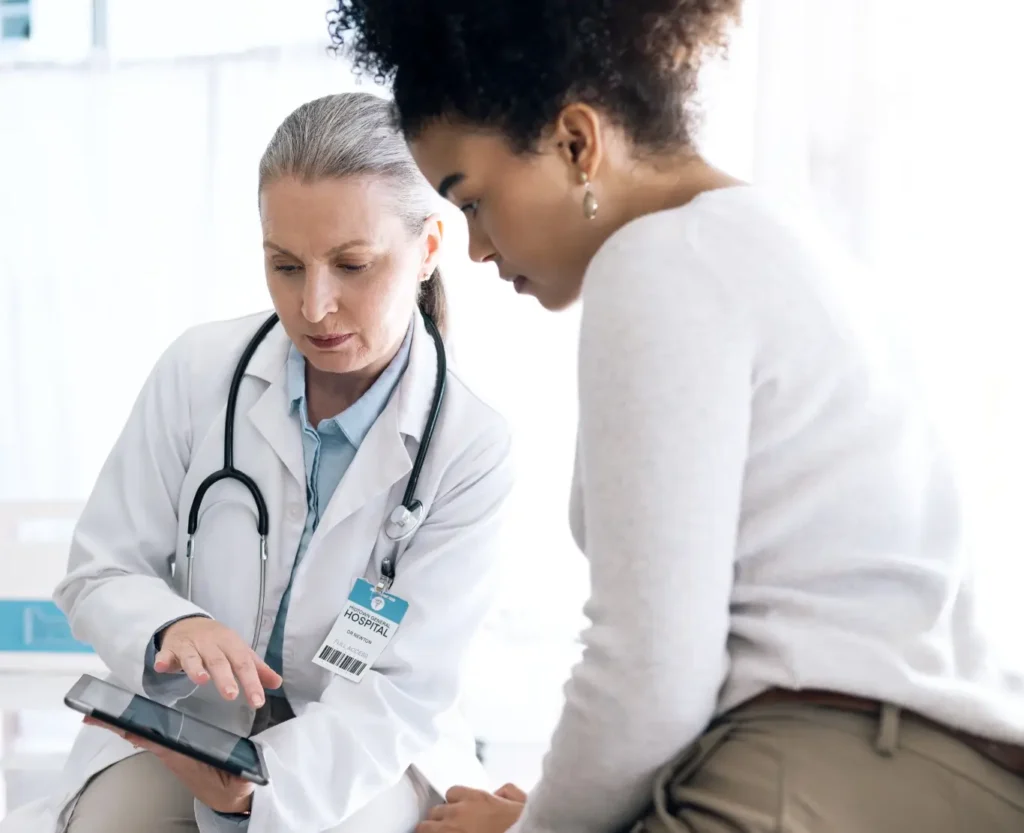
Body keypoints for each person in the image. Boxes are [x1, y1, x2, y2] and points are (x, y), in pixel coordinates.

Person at [329, 3, 1024, 832]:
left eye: (471, 199)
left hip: (821, 766)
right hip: (915, 766)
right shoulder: (776, 239)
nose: (477, 249)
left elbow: (649, 675)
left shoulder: (659, 262)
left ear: (578, 143)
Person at [0, 92, 513, 833]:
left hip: (360, 749)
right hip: (186, 725)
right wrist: (169, 627)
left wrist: (253, 791)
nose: (315, 306)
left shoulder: (469, 444)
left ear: (430, 245)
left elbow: (403, 691)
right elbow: (100, 570)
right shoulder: (199, 370)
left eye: (352, 264)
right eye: (286, 265)